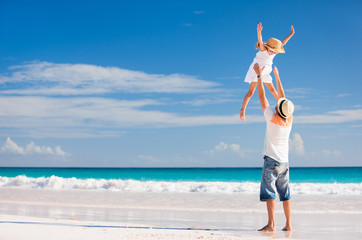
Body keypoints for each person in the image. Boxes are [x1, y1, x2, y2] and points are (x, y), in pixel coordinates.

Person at [253, 63, 294, 232]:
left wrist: (259, 76)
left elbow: (262, 97)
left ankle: (271, 224)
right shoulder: (289, 119)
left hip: (271, 161)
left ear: (278, 108)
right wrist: (277, 77)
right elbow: (282, 99)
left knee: (269, 192)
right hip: (284, 162)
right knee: (285, 194)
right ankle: (288, 224)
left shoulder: (271, 117)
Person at [240, 22, 294, 121]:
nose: (272, 52)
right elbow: (260, 41)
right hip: (257, 69)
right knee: (251, 92)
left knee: (273, 89)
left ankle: (283, 106)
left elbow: (283, 42)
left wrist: (291, 34)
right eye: (271, 50)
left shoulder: (275, 51)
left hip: (266, 71)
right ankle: (243, 110)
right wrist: (259, 32)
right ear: (268, 47)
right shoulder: (263, 49)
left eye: (274, 51)